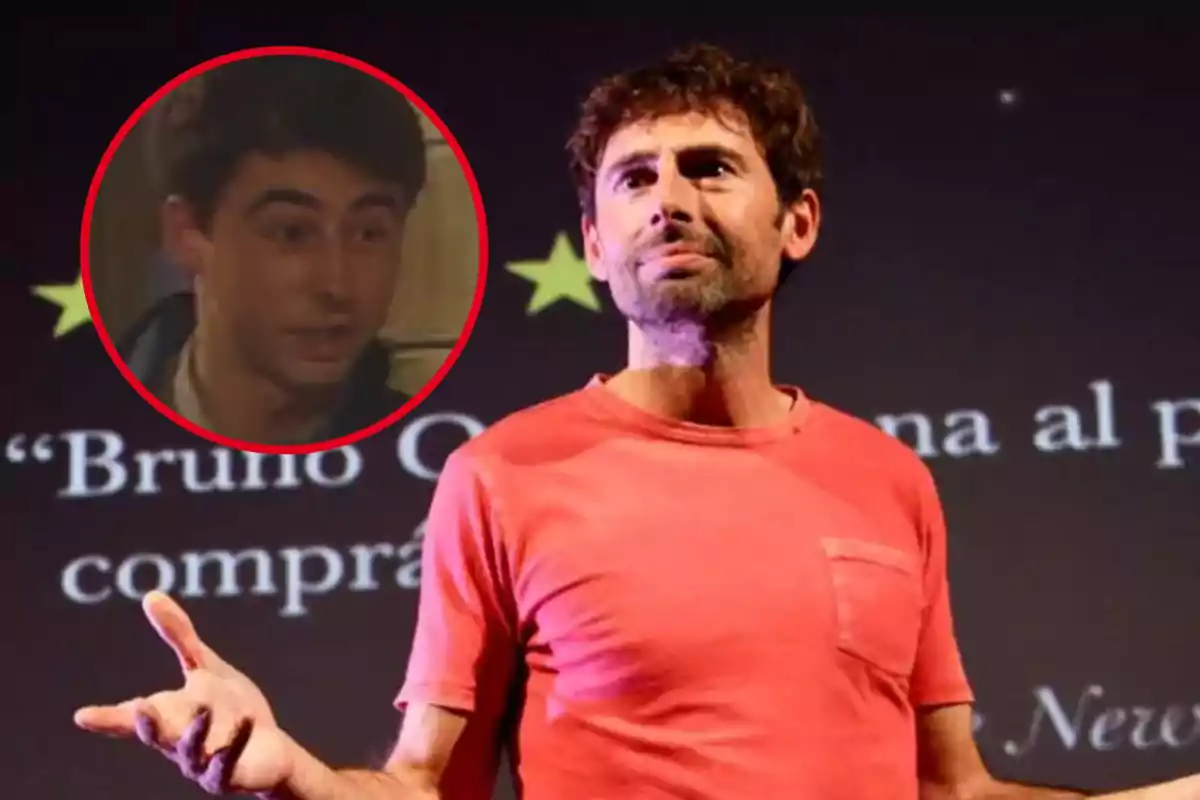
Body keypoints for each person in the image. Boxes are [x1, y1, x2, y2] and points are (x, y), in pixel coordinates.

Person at [74, 45, 1199, 800]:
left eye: (711, 167)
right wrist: (300, 779)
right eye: (633, 178)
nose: (668, 197)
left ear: (796, 220)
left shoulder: (889, 476)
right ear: (595, 242)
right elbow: (424, 782)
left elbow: (956, 788)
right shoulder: (503, 472)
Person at [115, 55, 425, 446]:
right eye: (292, 233)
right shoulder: (81, 445)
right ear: (186, 234)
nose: (338, 285)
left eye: (369, 233)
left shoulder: (437, 454)